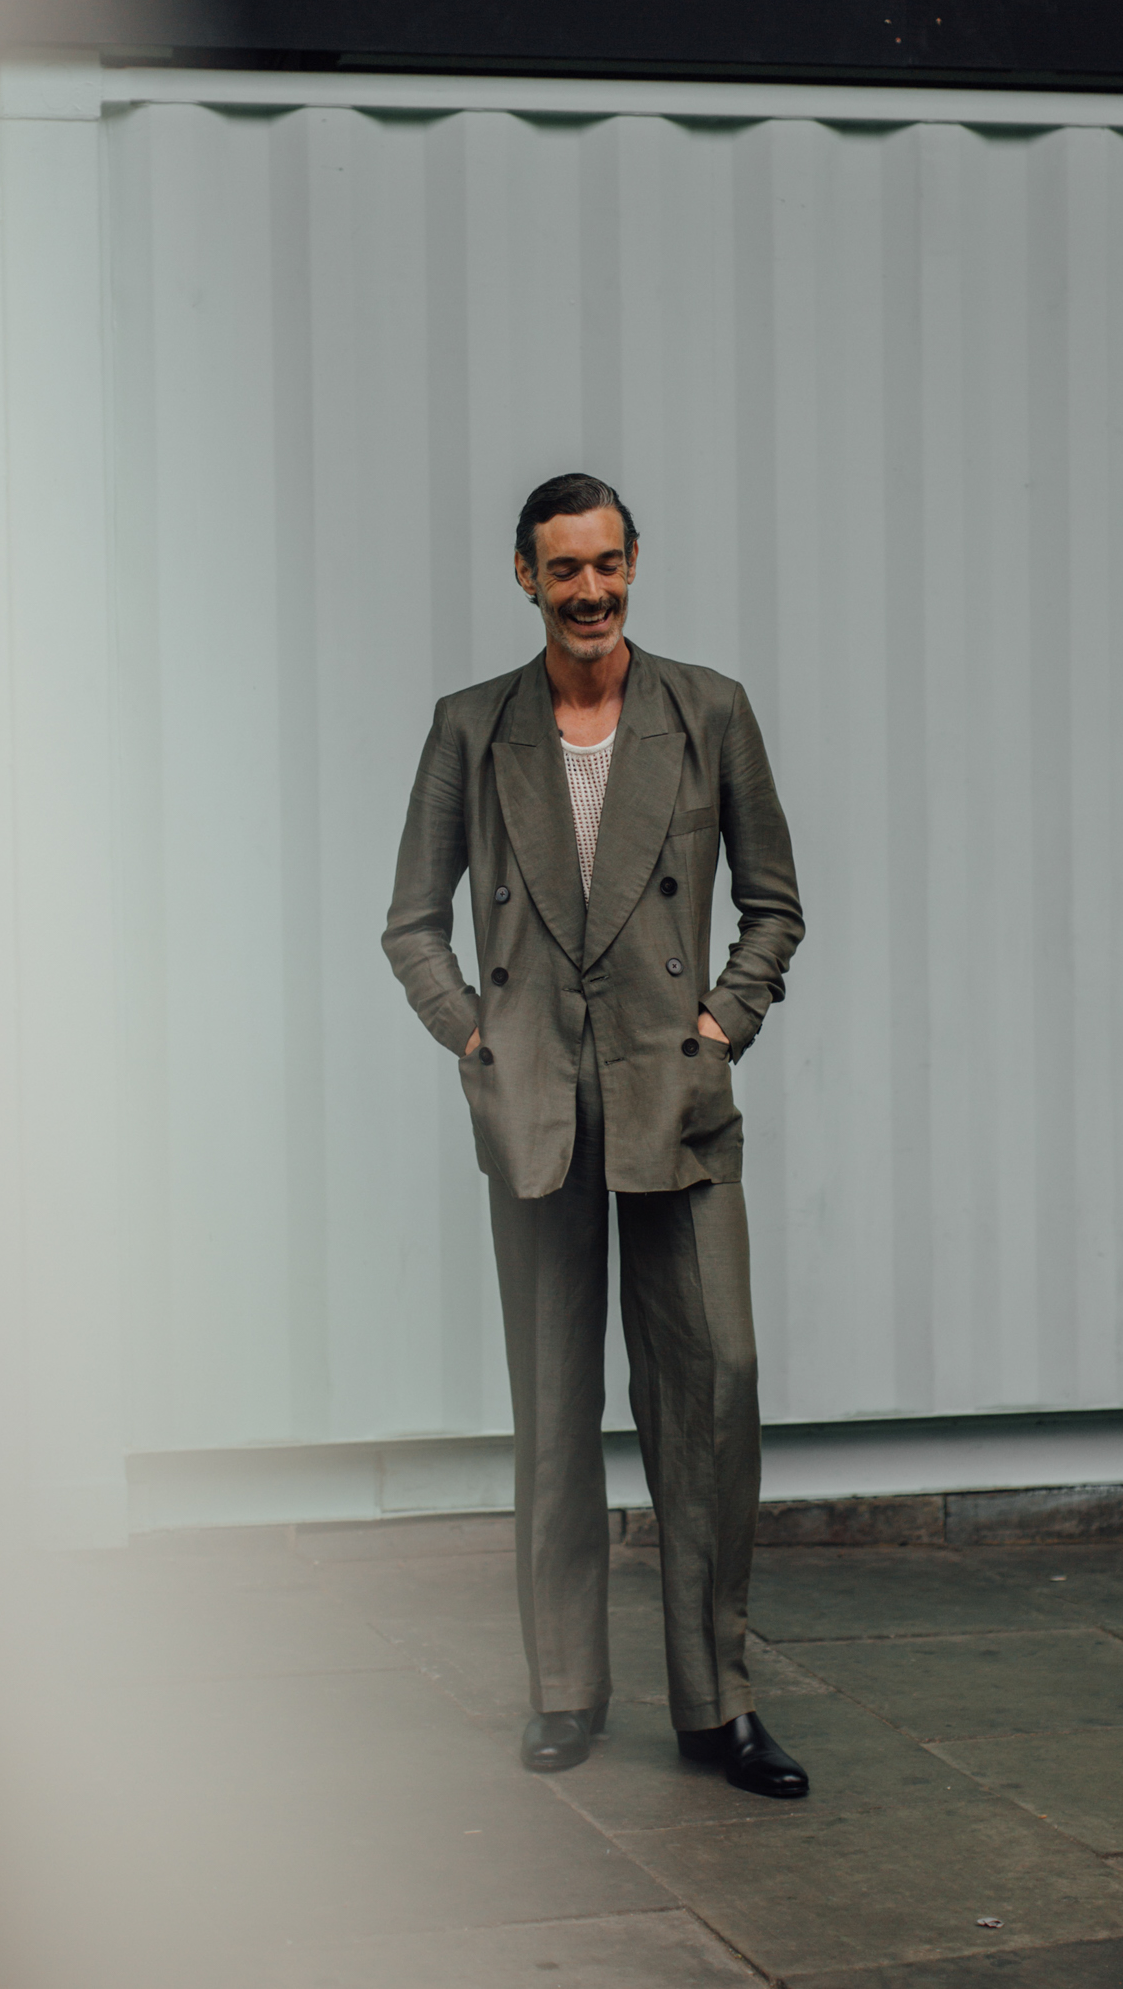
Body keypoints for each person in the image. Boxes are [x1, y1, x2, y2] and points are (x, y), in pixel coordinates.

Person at [382, 473, 809, 1797]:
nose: (590, 591)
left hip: (673, 1095)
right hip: (536, 1106)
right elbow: (413, 922)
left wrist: (720, 1026)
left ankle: (716, 1704)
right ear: (526, 576)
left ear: (635, 564)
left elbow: (775, 903)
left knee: (713, 1390)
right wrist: (478, 1038)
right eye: (564, 568)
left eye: (608, 564)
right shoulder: (472, 728)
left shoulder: (709, 710)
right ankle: (564, 1689)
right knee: (554, 1406)